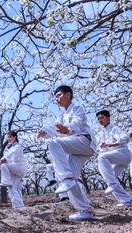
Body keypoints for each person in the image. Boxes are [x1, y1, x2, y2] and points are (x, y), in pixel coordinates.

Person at [38, 85, 96, 221]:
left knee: (54, 144)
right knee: (71, 181)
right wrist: (45, 132)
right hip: (77, 150)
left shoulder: (77, 109)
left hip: (84, 141)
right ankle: (86, 211)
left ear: (68, 94)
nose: (57, 99)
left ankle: (66, 177)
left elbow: (76, 124)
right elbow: (55, 129)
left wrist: (67, 130)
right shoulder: (61, 116)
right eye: (55, 97)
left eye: (58, 95)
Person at [96, 110, 132, 206]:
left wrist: (114, 143)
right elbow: (103, 147)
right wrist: (102, 146)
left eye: (102, 118)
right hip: (117, 158)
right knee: (109, 177)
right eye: (98, 119)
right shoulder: (102, 133)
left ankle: (112, 184)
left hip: (123, 154)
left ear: (108, 117)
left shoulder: (114, 128)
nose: (100, 120)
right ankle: (128, 200)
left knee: (101, 158)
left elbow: (125, 138)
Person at [0, 131, 27, 209]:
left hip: (18, 167)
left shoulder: (17, 147)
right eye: (8, 137)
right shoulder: (11, 147)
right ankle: (19, 205)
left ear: (15, 137)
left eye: (10, 136)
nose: (9, 138)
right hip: (16, 169)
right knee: (16, 188)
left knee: (3, 166)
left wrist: (1, 162)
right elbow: (5, 156)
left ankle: (5, 181)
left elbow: (9, 156)